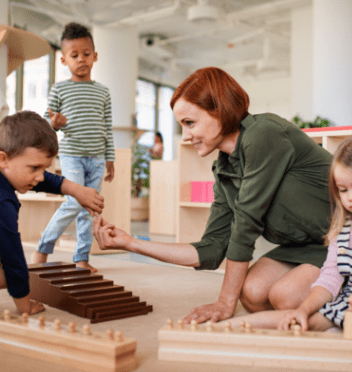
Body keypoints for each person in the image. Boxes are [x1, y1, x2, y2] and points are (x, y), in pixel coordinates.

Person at [93, 67, 332, 324]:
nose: (185, 136)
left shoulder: (264, 134)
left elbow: (245, 226)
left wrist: (224, 303)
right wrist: (132, 243)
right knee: (251, 294)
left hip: (348, 241)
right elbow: (211, 249)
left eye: (190, 123)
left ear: (220, 110)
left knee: (285, 297)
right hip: (306, 247)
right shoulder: (224, 169)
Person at [226, 132, 352, 334]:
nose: (351, 198)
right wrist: (303, 310)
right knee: (301, 323)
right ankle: (222, 328)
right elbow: (331, 277)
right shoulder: (342, 229)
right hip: (351, 307)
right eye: (343, 190)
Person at [0, 111, 104, 315]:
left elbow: (45, 179)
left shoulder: (7, 170)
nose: (40, 177)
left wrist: (76, 190)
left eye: (45, 168)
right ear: (3, 159)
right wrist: (25, 306)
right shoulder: (2, 202)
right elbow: (13, 257)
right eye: (34, 168)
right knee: (16, 271)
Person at [31, 22, 115, 273]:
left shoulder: (103, 92)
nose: (81, 60)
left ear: (95, 56)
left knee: (90, 208)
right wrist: (54, 124)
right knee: (75, 202)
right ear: (63, 59)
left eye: (86, 54)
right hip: (71, 155)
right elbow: (47, 126)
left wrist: (110, 159)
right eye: (74, 55)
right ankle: (43, 248)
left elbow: (107, 127)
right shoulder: (59, 89)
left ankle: (81, 258)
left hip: (98, 158)